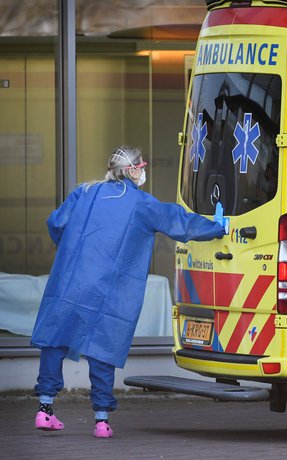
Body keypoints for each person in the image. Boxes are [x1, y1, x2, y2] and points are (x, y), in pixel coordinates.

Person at [31, 146, 225, 438]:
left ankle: (45, 410)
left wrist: (73, 250)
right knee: (102, 348)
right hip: (109, 290)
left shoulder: (84, 192)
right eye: (142, 166)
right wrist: (216, 227)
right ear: (134, 170)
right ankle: (101, 421)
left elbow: (56, 223)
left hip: (70, 283)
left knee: (55, 340)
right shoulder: (140, 203)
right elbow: (177, 222)